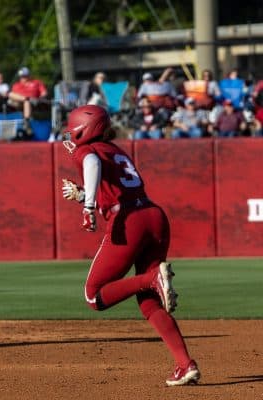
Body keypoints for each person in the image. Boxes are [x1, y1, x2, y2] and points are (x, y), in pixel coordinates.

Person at [60, 105, 200, 386]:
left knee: (94, 296)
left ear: (83, 127)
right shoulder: (116, 149)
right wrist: (83, 195)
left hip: (129, 220)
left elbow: (92, 165)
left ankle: (152, 278)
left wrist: (87, 205)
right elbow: (113, 188)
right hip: (153, 215)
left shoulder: (86, 151)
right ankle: (186, 365)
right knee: (148, 300)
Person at [8, 67, 48, 134]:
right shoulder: (16, 85)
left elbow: (44, 93)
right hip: (18, 102)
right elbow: (12, 95)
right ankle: (25, 99)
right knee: (11, 94)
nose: (23, 78)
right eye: (21, 77)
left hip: (33, 101)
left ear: (29, 75)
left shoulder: (36, 82)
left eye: (25, 76)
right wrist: (25, 98)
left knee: (27, 101)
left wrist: (40, 98)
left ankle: (26, 123)